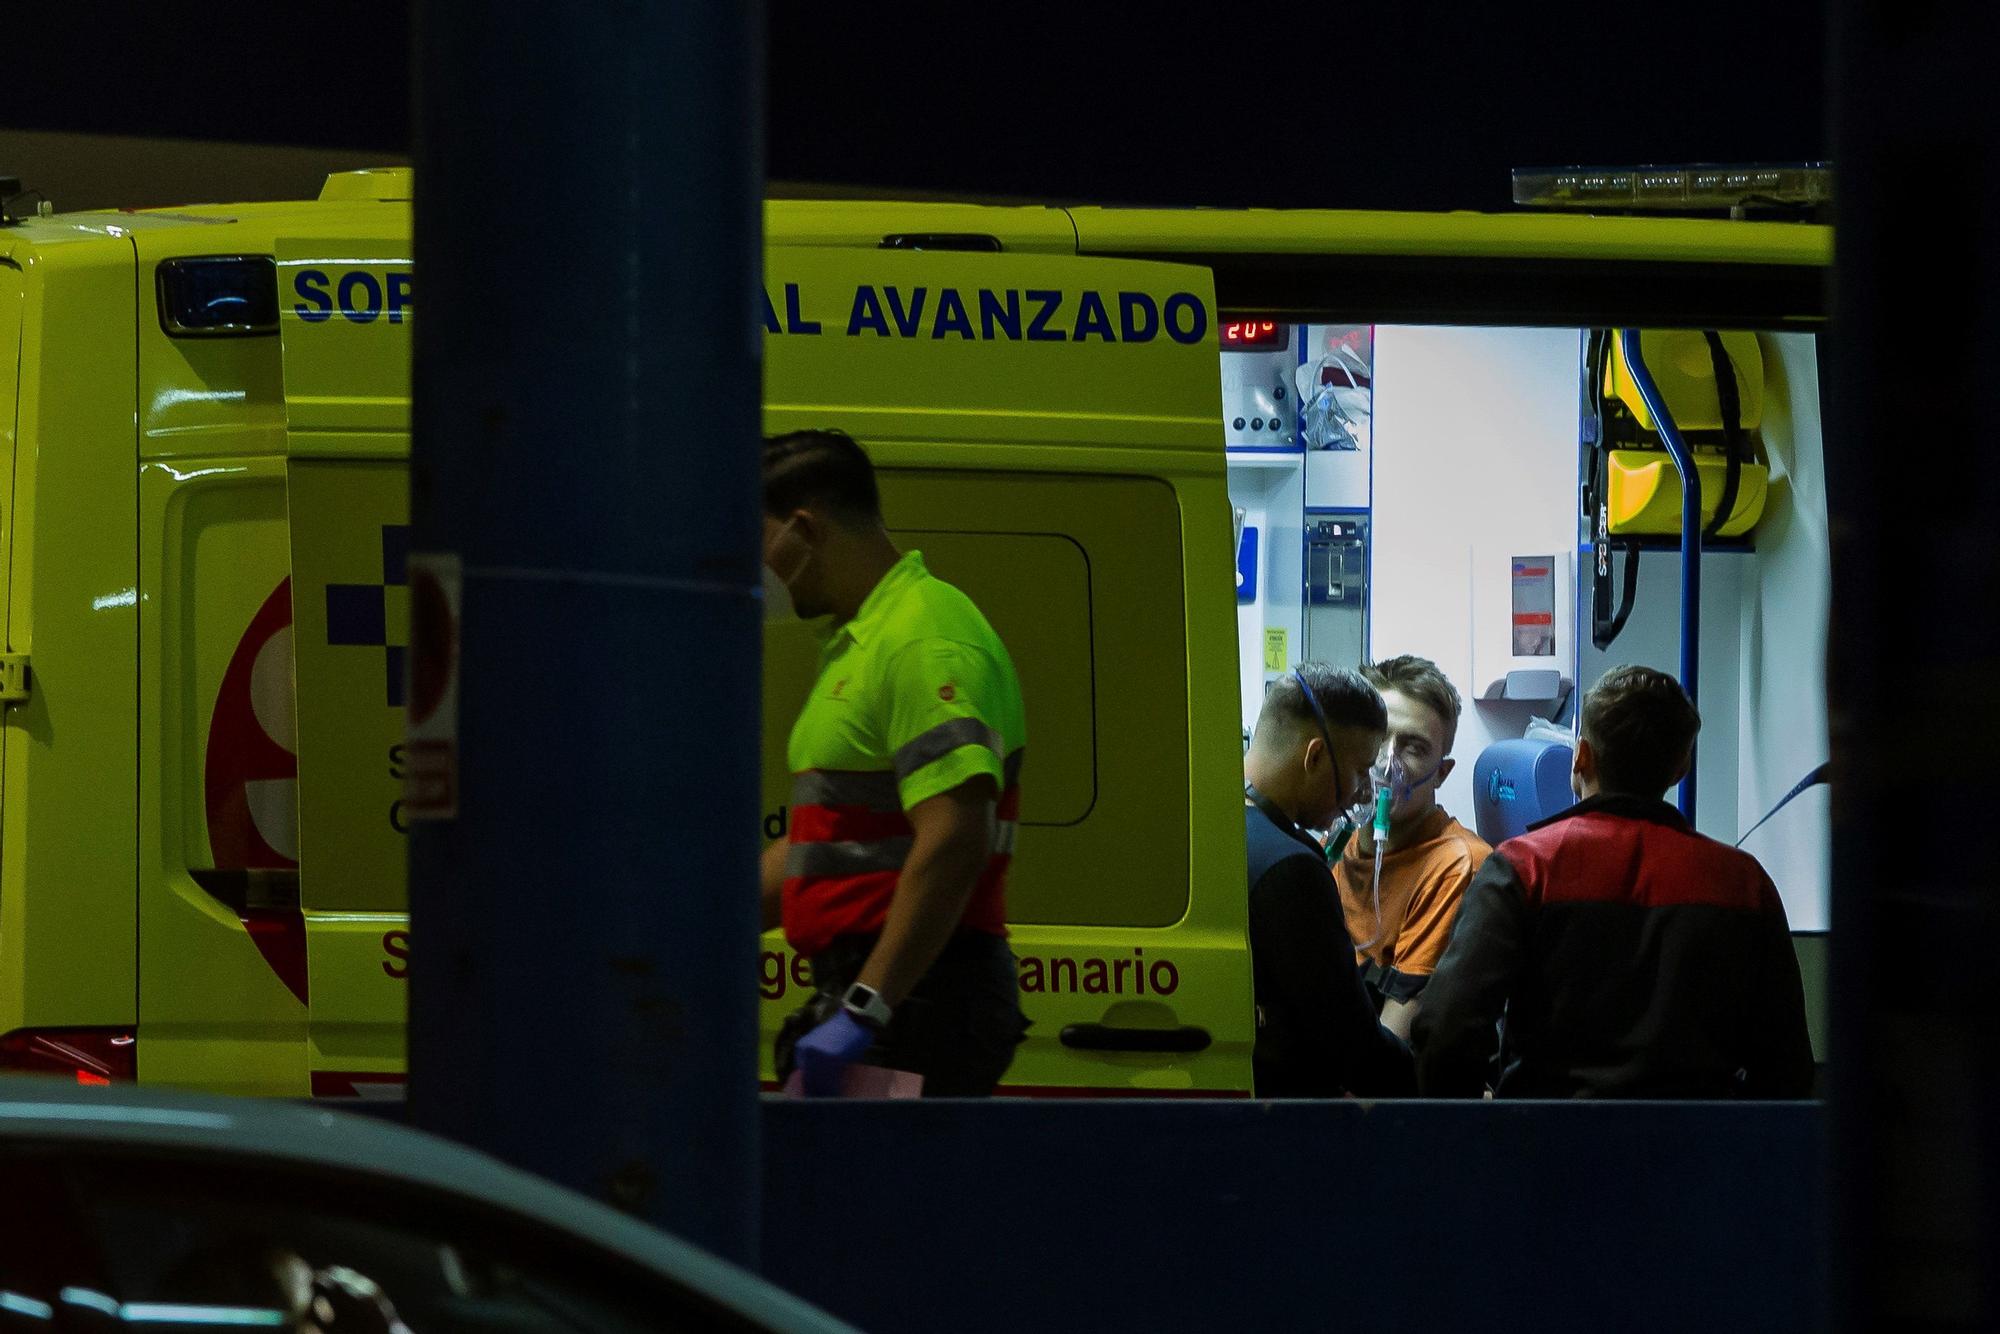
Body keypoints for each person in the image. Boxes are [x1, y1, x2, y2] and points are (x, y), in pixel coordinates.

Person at [760, 428, 1029, 1096]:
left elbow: (955, 838)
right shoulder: (860, 641)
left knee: (868, 1199)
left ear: (803, 528)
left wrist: (865, 1008)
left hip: (919, 999)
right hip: (895, 995)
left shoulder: (923, 640)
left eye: (756, 541)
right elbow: (822, 843)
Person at [1415, 665, 1814, 1099]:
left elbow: (1445, 1032)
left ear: (1580, 756)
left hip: (1546, 1152)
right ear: (1681, 766)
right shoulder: (1744, 884)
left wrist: (1486, 1133)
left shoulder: (1524, 868)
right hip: (1700, 1157)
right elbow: (1786, 1064)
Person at [1243, 664, 1415, 1097]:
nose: (1362, 795)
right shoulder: (1290, 868)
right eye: (1359, 773)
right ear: (1314, 755)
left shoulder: (1215, 828)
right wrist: (1438, 1086)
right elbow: (1355, 1049)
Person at [1334, 655, 1491, 1039]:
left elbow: (1394, 1040)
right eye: (1379, 737)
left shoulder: (1457, 865)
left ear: (1442, 772)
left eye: (1414, 748)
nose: (1387, 764)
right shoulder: (1335, 842)